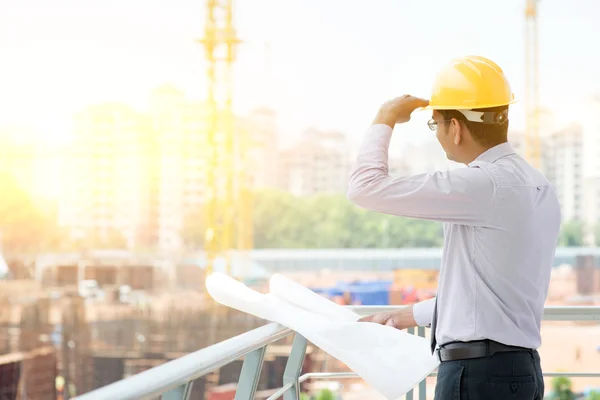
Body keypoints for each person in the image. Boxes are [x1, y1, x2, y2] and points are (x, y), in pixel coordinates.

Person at [346, 55, 561, 400]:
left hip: (476, 376)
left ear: (456, 128)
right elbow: (494, 296)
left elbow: (364, 187)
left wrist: (384, 117)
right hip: (522, 373)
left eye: (436, 124)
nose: (439, 134)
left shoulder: (481, 185)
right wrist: (406, 315)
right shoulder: (539, 186)